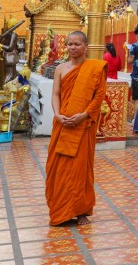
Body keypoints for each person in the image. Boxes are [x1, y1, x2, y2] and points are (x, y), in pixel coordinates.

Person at [46, 31, 107, 226]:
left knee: (81, 169)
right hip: (62, 124)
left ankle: (80, 211)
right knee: (57, 168)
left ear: (86, 46)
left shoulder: (95, 68)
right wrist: (57, 114)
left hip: (83, 125)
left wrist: (84, 115)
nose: (73, 47)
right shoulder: (61, 69)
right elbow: (56, 94)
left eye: (77, 44)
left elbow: (99, 97)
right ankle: (60, 210)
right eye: (70, 44)